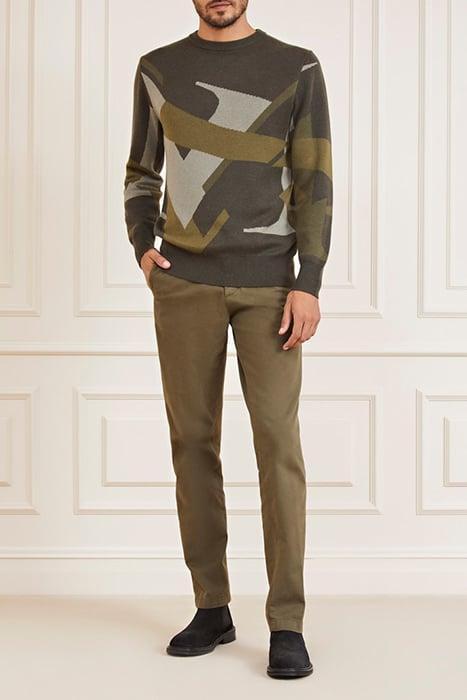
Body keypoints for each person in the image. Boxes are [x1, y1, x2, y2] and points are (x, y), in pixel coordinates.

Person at [123, 0, 332, 680]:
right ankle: (211, 607)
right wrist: (143, 246)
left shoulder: (296, 68)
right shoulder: (157, 68)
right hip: (184, 284)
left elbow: (314, 180)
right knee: (192, 442)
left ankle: (286, 621)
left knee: (277, 445)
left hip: (271, 287)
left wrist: (308, 280)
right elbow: (141, 172)